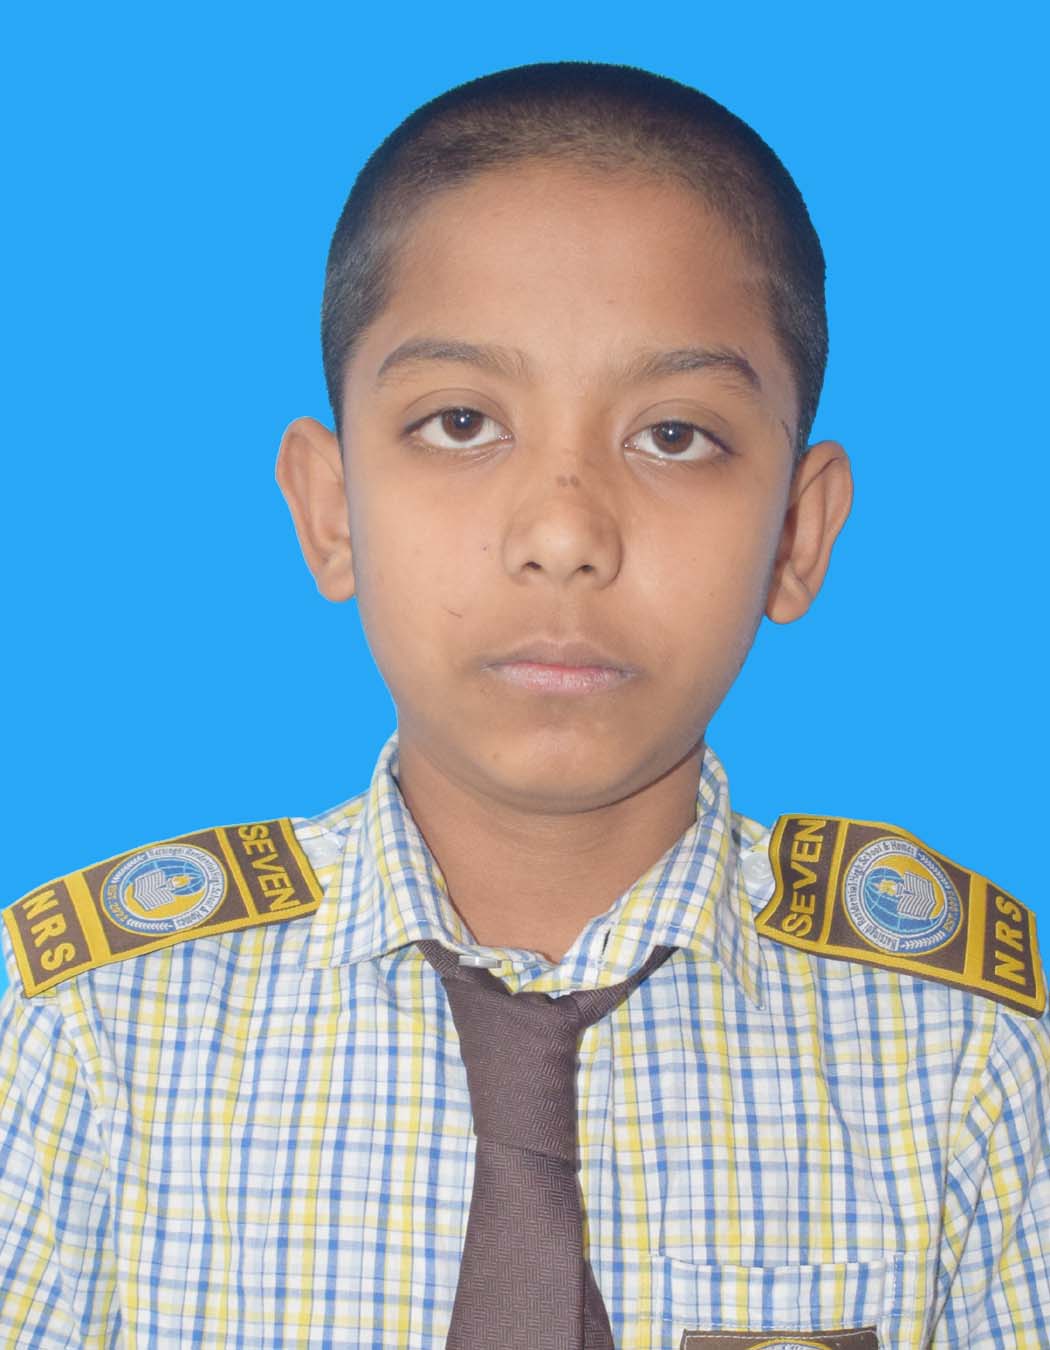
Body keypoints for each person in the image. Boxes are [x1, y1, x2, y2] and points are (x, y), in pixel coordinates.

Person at [1, 60, 1046, 1349]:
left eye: (674, 435)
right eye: (459, 422)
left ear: (798, 533)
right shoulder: (89, 1033)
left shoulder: (964, 1055)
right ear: (330, 510)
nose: (563, 533)